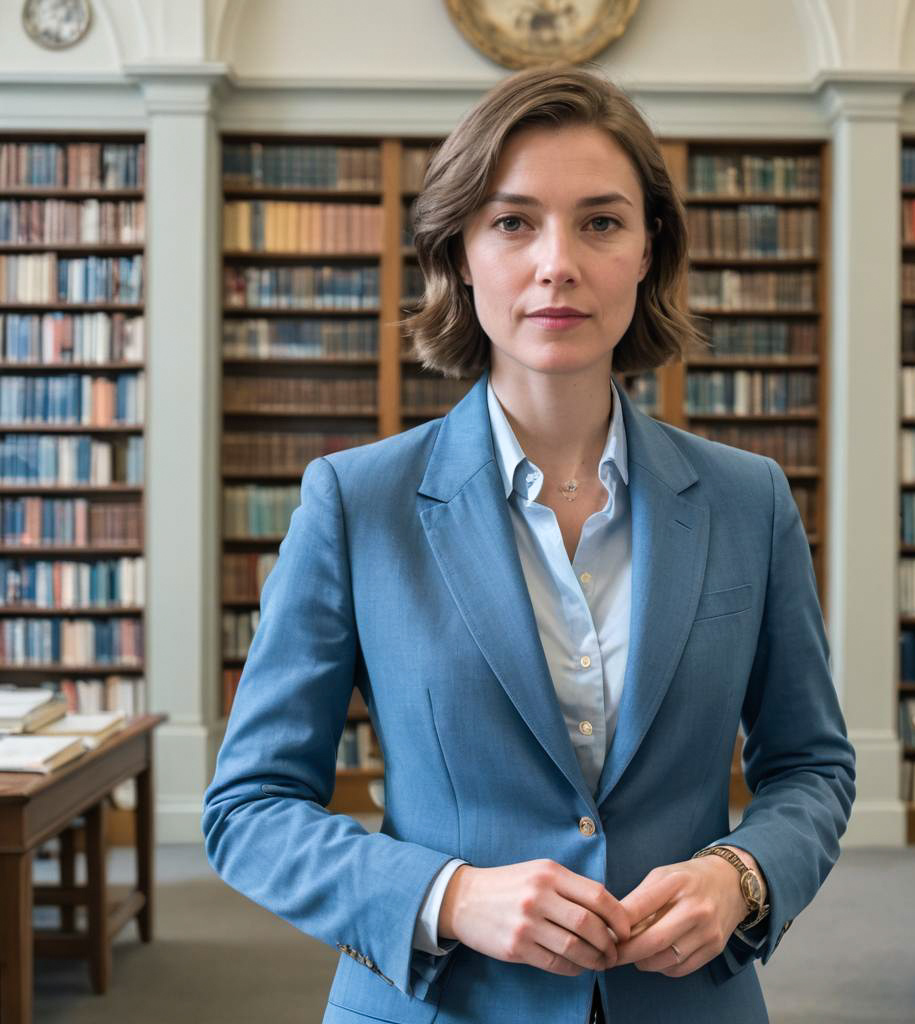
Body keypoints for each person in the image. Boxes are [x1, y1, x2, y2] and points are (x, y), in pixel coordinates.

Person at [202, 63, 856, 1024]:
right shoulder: (356, 501)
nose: (559, 262)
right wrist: (450, 897)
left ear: (647, 252)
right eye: (514, 222)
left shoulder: (745, 501)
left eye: (600, 222)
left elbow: (812, 767)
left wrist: (742, 876)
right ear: (461, 252)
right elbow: (248, 809)